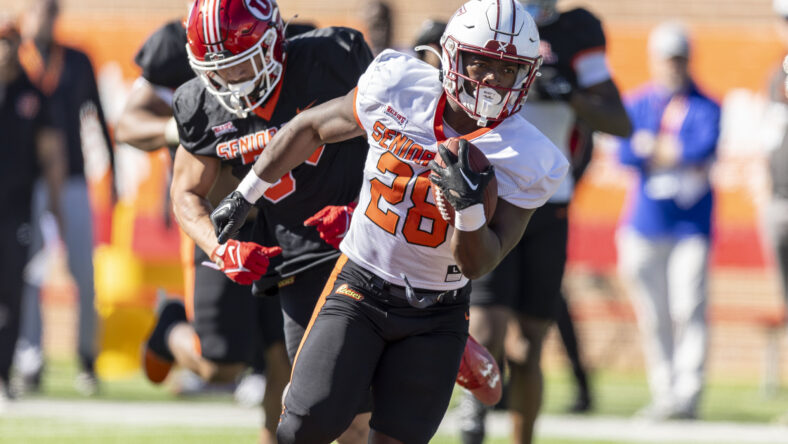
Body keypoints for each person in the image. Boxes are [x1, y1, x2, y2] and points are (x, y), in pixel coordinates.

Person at [211, 1, 568, 442]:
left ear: (527, 74)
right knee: (303, 427)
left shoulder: (531, 157)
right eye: (480, 62)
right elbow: (310, 127)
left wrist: (469, 207)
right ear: (453, 55)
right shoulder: (399, 85)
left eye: (507, 69)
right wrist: (245, 194)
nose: (492, 80)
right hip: (360, 283)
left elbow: (479, 263)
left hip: (438, 312)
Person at [162, 0, 375, 441]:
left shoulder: (333, 58)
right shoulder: (201, 103)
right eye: (217, 69)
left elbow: (399, 134)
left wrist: (368, 207)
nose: (230, 79)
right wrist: (218, 247)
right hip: (297, 258)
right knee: (331, 410)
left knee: (375, 408)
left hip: (372, 246)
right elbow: (185, 190)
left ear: (274, 42)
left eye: (242, 64)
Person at [459, 0, 632, 442]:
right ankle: (472, 421)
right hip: (492, 191)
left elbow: (619, 120)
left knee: (529, 344)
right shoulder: (488, 20)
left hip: (548, 199)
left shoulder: (577, 30)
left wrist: (569, 94)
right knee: (486, 328)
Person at [114, 17, 292, 441]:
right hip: (219, 222)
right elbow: (127, 124)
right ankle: (170, 326)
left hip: (281, 221)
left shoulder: (291, 45)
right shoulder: (178, 46)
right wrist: (183, 130)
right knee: (220, 366)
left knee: (285, 358)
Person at [616, 21, 720, 421]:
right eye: (667, 59)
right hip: (644, 224)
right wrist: (669, 150)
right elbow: (625, 152)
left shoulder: (706, 105)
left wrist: (653, 147)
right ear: (655, 61)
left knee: (688, 307)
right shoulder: (640, 102)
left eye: (679, 58)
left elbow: (702, 147)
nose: (673, 66)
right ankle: (664, 393)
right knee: (654, 314)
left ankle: (688, 395)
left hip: (690, 225)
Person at [14, 0, 115, 396]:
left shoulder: (75, 60)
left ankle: (87, 358)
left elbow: (98, 115)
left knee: (83, 274)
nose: (43, 19)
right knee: (27, 276)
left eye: (49, 11)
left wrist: (116, 177)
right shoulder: (15, 62)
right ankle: (30, 357)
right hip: (26, 185)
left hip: (73, 179)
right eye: (36, 10)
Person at [0, 18, 65, 407]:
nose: (5, 51)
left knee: (11, 293)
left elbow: (52, 152)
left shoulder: (32, 94)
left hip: (16, 211)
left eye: (10, 43)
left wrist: (56, 207)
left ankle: (3, 374)